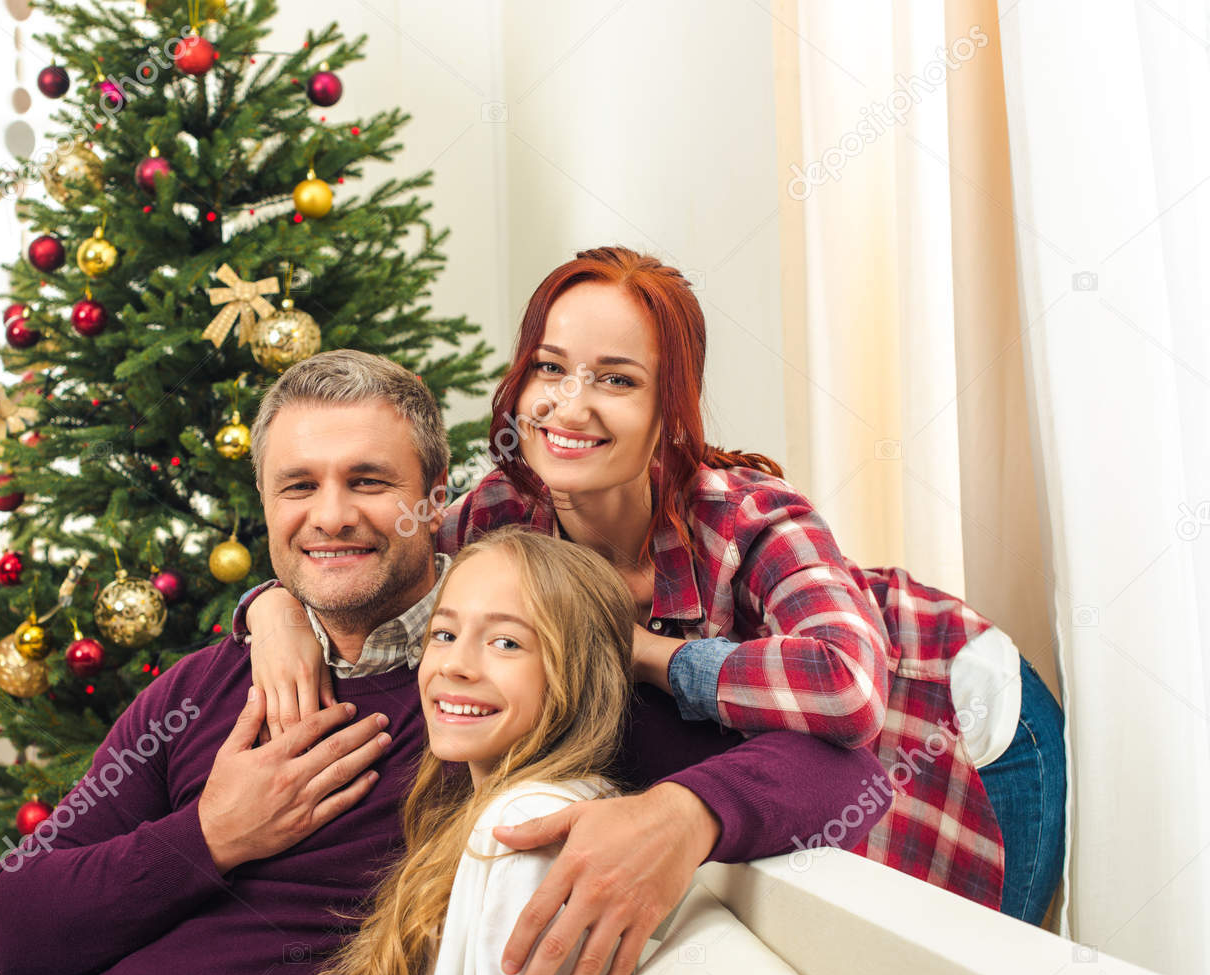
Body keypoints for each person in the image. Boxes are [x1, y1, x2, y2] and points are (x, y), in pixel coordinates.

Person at [0, 349, 888, 975]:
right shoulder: (205, 685)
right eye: (296, 486)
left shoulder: (506, 682)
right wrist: (210, 835)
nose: (330, 517)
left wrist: (682, 816)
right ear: (264, 505)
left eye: (368, 481)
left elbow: (848, 768)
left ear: (434, 494)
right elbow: (19, 921)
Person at [237, 249, 1066, 927]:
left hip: (953, 706)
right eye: (550, 369)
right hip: (835, 733)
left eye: (617, 379)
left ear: (671, 408)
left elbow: (849, 692)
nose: (571, 405)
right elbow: (368, 559)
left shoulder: (747, 518)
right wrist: (270, 610)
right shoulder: (498, 511)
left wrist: (639, 653)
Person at [280, 526, 650, 975]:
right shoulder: (477, 809)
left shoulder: (530, 826)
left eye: (506, 643)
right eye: (444, 635)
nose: (454, 665)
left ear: (581, 672)